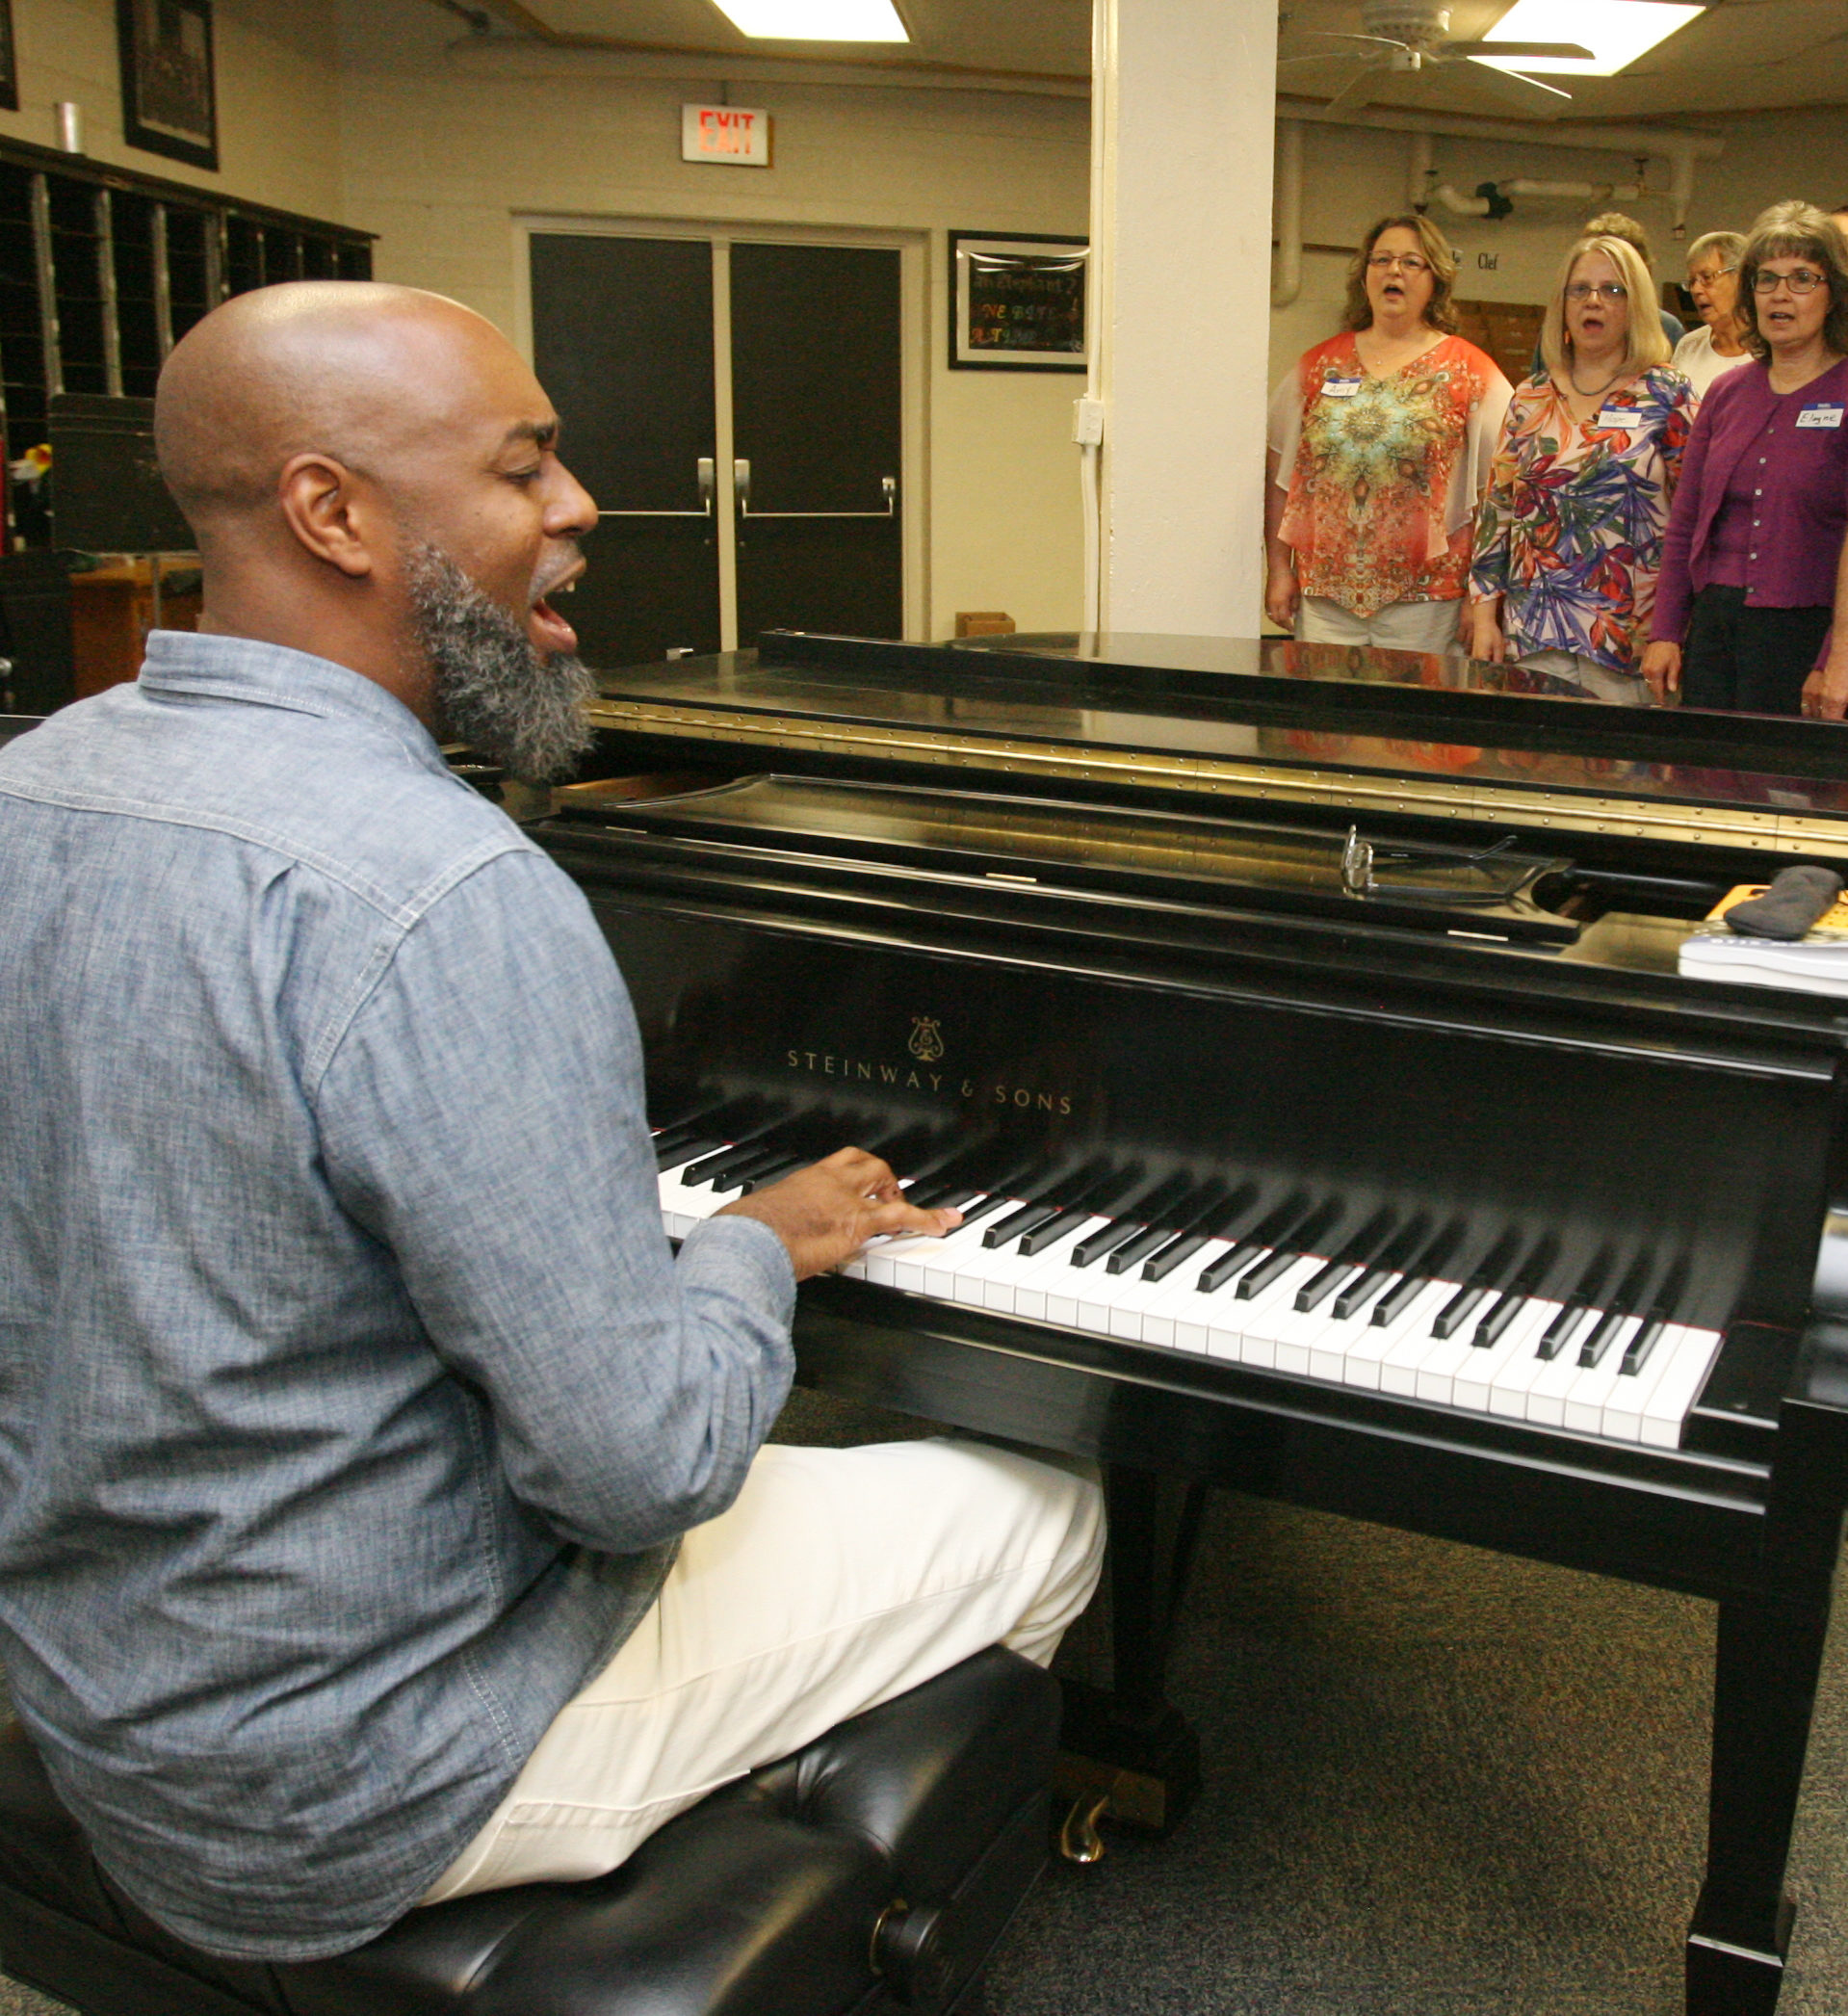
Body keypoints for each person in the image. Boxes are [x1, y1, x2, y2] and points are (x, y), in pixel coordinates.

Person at [0, 282, 1104, 1963]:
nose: (580, 508)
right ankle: (755, 1880)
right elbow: (636, 1465)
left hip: (99, 1704)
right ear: (330, 510)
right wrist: (740, 1249)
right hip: (367, 1775)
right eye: (525, 469)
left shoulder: (32, 783)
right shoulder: (444, 892)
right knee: (1045, 1502)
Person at [1266, 212, 1513, 654]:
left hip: (1430, 603)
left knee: (1411, 719)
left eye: (1411, 262)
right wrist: (1279, 570)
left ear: (1435, 279)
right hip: (1326, 599)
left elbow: (1500, 488)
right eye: (1381, 260)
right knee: (1328, 719)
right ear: (1364, 276)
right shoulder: (1320, 365)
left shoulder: (1469, 371)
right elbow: (1280, 472)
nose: (1394, 271)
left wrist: (1483, 600)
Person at [1468, 233, 1694, 705]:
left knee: (1623, 776)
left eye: (1613, 290)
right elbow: (1498, 510)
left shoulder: (1667, 394)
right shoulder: (1530, 396)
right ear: (1563, 305)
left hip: (1628, 642)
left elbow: (1694, 520)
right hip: (1533, 634)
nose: (1594, 301)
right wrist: (1485, 616)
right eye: (1580, 289)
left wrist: (1672, 631)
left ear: (1637, 305)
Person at [1642, 201, 1848, 715]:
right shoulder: (1727, 391)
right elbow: (1687, 517)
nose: (1781, 294)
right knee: (1701, 780)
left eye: (1803, 278)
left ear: (1834, 295)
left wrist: (1837, 659)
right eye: (1767, 279)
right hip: (1715, 627)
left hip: (1808, 634)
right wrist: (1666, 631)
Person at [1671, 230, 1751, 396]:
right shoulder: (1689, 345)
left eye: (1707, 278)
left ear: (1741, 277)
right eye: (1692, 281)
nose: (1696, 290)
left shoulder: (1772, 347)